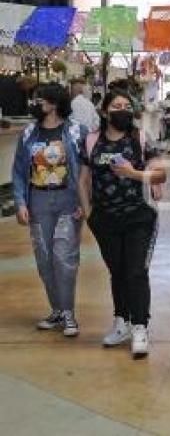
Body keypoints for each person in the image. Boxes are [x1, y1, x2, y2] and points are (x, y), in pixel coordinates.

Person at [78, 89, 166, 359]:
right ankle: (121, 321)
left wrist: (133, 173)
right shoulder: (92, 140)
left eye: (127, 106)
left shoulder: (140, 138)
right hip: (104, 218)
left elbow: (160, 174)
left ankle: (140, 326)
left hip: (138, 216)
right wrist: (89, 212)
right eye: (116, 106)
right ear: (105, 111)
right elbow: (83, 179)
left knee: (135, 271)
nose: (123, 110)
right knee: (117, 271)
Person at [12, 83, 86, 337]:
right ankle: (56, 309)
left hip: (68, 202)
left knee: (64, 258)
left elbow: (88, 173)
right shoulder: (29, 133)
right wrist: (20, 202)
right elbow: (19, 170)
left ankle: (68, 313)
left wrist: (86, 203)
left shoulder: (76, 131)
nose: (36, 103)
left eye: (40, 100)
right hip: (38, 203)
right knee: (44, 260)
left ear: (54, 104)